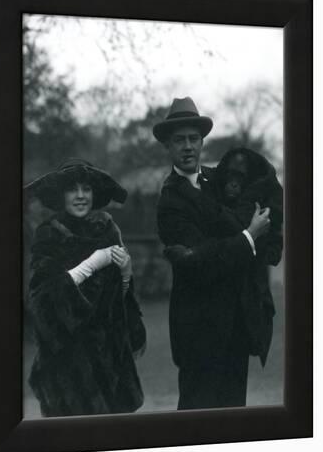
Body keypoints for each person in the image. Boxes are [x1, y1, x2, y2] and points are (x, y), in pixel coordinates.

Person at [154, 97, 278, 410]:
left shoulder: (219, 181)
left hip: (235, 325)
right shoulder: (169, 201)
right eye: (179, 140)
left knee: (234, 418)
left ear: (202, 142)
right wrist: (249, 236)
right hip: (198, 330)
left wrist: (253, 236)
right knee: (196, 423)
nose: (187, 147)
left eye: (193, 139)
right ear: (168, 146)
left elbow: (261, 201)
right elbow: (200, 262)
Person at [24, 158, 146, 417]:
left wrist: (125, 276)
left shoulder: (108, 231)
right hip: (68, 366)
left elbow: (117, 304)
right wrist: (89, 266)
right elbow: (41, 304)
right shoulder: (49, 236)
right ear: (61, 195)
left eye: (87, 189)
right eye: (72, 189)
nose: (80, 196)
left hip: (111, 363)